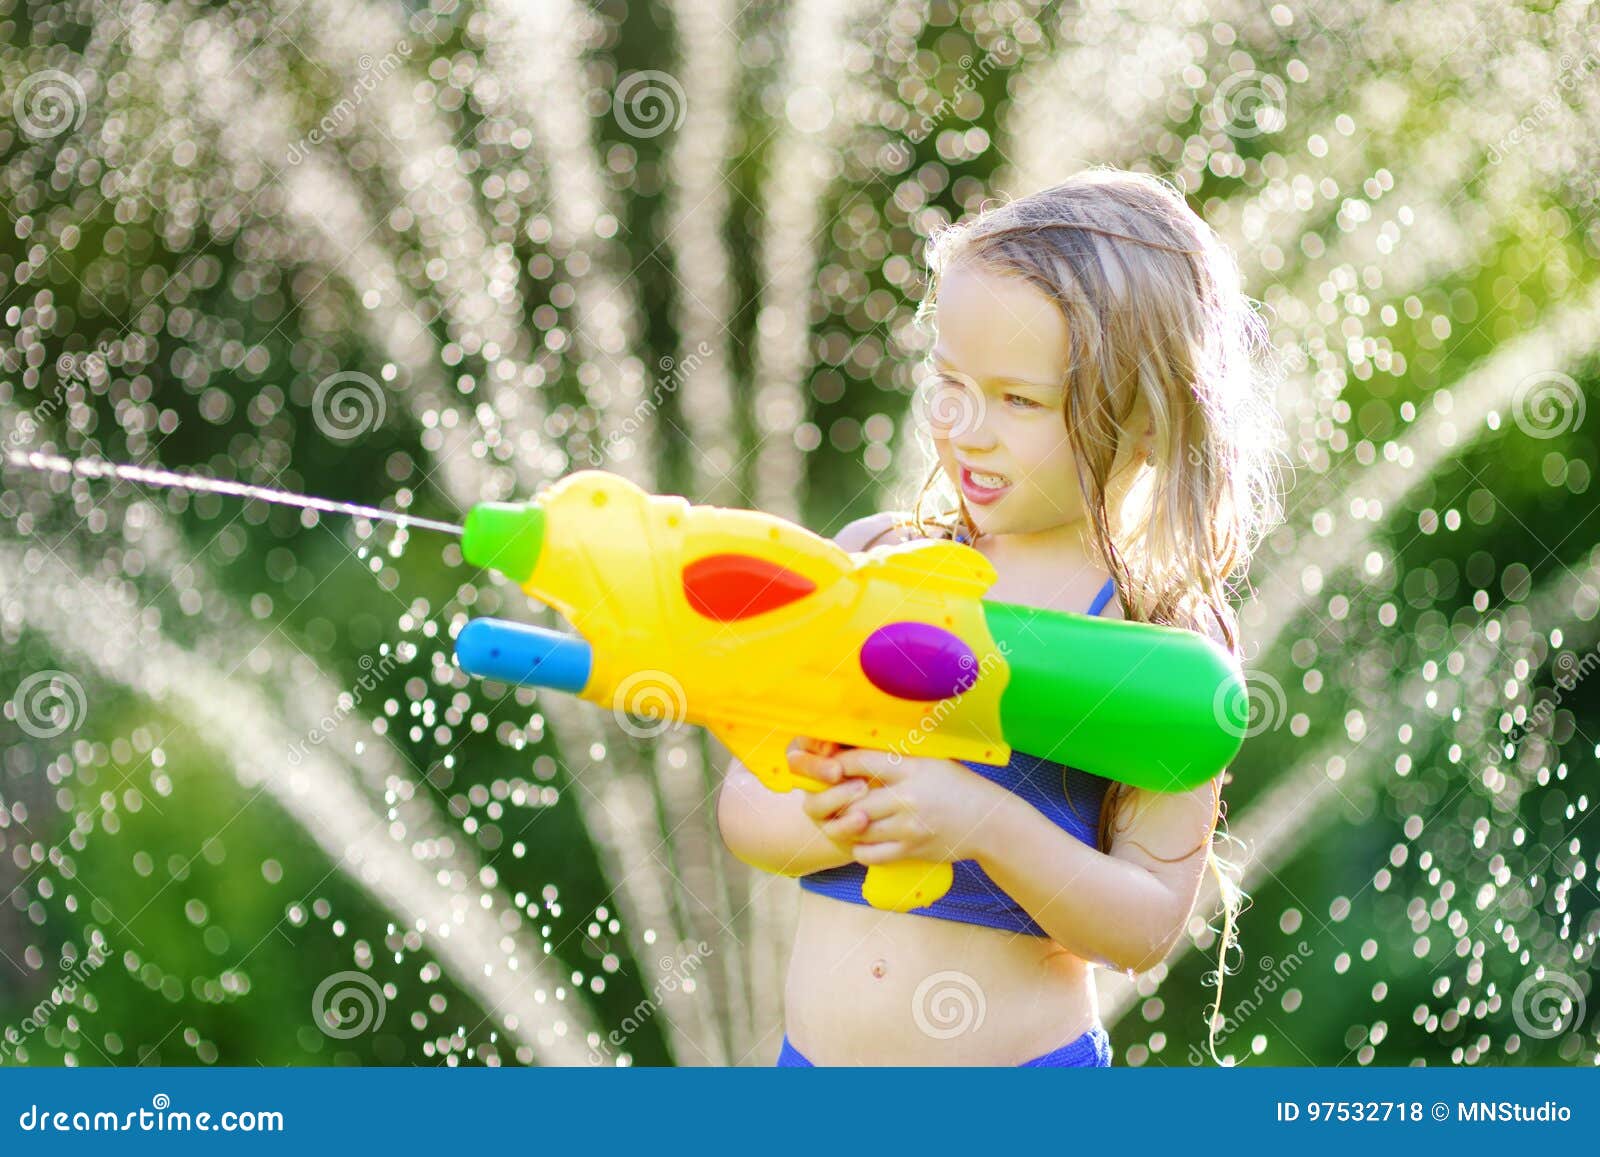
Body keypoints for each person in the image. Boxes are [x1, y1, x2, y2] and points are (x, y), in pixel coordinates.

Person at [717, 168, 1287, 1067]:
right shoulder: (875, 559)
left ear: (1142, 418)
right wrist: (868, 801)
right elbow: (746, 814)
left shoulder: (1155, 637)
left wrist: (976, 819)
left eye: (1019, 400)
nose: (966, 428)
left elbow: (1141, 928)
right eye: (951, 379)